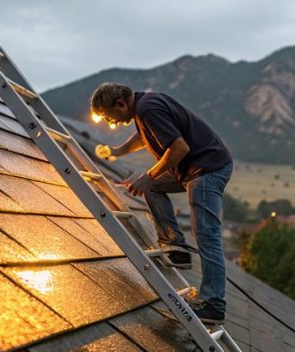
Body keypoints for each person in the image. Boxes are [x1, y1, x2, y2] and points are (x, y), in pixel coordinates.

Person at [90, 83, 233, 323]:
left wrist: (148, 176)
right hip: (196, 169)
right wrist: (117, 151)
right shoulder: (144, 108)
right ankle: (174, 246)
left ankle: (213, 304)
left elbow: (179, 147)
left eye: (108, 115)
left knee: (207, 235)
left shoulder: (148, 108)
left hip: (207, 170)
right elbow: (144, 136)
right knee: (154, 187)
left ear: (120, 104)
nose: (109, 121)